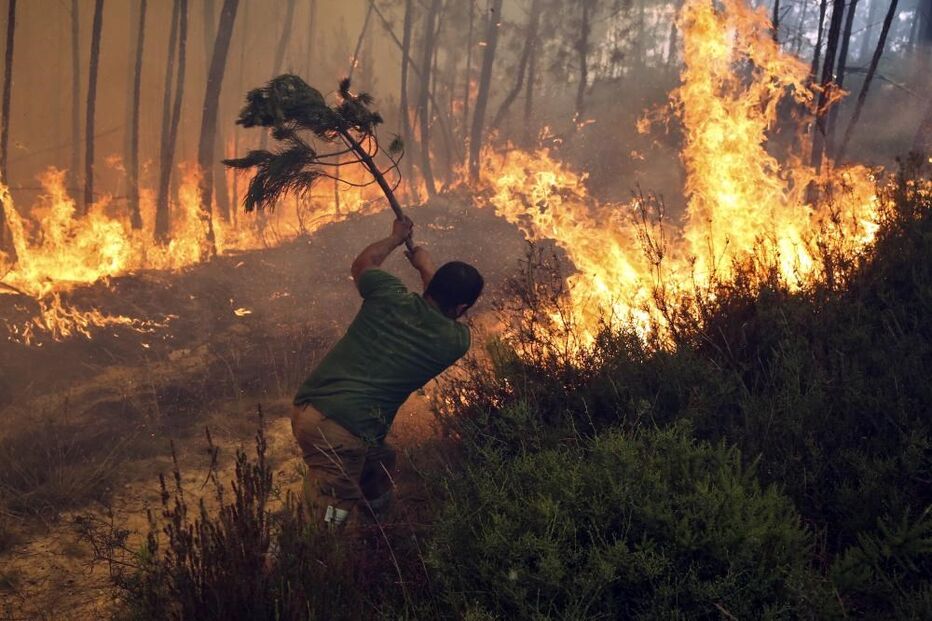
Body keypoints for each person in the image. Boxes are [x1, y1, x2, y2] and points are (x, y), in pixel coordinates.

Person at [291, 215, 484, 528]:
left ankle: (376, 533)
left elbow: (364, 263)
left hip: (309, 407)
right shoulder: (455, 341)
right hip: (342, 432)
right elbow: (442, 315)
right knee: (326, 519)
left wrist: (396, 238)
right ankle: (298, 564)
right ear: (462, 309)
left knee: (379, 464)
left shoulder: (387, 293)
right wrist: (426, 268)